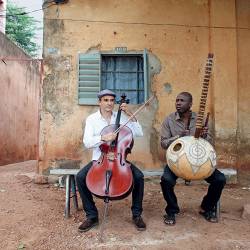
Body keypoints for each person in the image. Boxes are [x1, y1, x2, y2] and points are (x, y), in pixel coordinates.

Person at [76, 89, 146, 232]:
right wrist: (103, 138)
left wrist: (129, 113)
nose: (109, 103)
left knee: (139, 177)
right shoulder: (92, 119)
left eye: (111, 100)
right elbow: (87, 142)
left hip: (120, 159)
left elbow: (138, 133)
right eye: (105, 100)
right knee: (80, 177)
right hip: (99, 159)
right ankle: (92, 215)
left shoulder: (121, 118)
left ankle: (137, 214)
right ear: (99, 102)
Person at [160, 91, 226, 225]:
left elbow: (210, 145)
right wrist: (178, 136)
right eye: (177, 100)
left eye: (182, 100)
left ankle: (206, 208)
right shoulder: (169, 119)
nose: (178, 103)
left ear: (190, 104)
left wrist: (205, 136)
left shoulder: (199, 119)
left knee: (220, 179)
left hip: (199, 161)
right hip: (177, 162)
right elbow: (163, 143)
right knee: (166, 180)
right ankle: (172, 210)